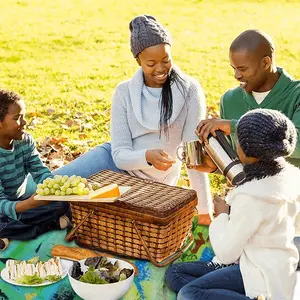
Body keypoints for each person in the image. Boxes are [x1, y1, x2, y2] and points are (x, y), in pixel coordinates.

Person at [52, 15, 212, 223]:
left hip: (149, 186)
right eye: (151, 63)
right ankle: (10, 214)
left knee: (71, 207)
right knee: (49, 187)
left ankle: (55, 219)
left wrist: (204, 211)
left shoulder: (190, 90)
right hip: (112, 163)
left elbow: (194, 157)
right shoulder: (124, 92)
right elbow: (119, 154)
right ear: (138, 61)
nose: (160, 69)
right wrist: (146, 156)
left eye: (166, 60)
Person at [166, 108, 300, 300]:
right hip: (275, 266)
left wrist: (222, 215)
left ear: (245, 150)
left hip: (259, 274)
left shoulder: (251, 196)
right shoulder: (291, 177)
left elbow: (226, 252)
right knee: (176, 274)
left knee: (189, 293)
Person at [194, 29, 300, 265]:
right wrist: (215, 165)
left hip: (288, 208)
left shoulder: (296, 94)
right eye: (233, 68)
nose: (236, 75)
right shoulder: (230, 100)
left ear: (266, 62)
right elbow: (242, 159)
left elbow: (297, 143)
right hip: (247, 203)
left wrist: (234, 126)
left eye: (242, 69)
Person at [0, 90, 70, 249]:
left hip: (20, 202)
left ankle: (10, 233)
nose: (24, 122)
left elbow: (40, 172)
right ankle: (47, 225)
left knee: (63, 203)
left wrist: (54, 189)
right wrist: (31, 204)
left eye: (23, 116)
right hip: (5, 207)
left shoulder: (25, 141)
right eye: (17, 118)